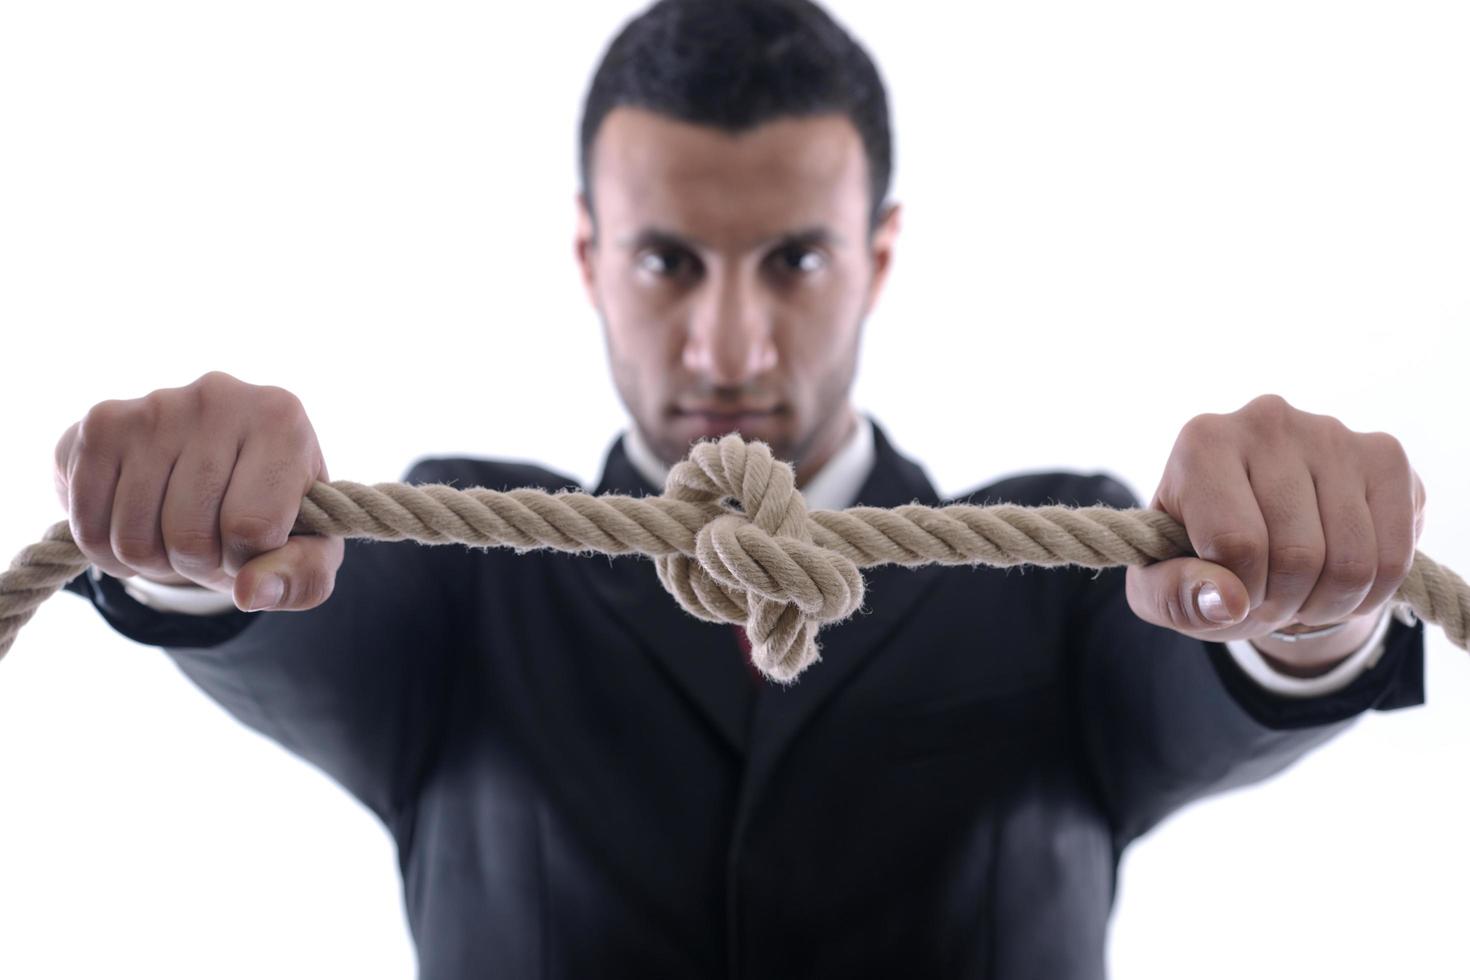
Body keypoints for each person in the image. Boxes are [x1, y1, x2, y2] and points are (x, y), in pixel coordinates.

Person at [54, 0, 1426, 977]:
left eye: (792, 261)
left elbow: (1214, 668)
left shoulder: (1060, 563)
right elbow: (286, 614)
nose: (728, 346)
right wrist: (184, 548)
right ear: (587, 258)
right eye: (665, 263)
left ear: (876, 257)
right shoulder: (466, 572)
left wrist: (1305, 605)